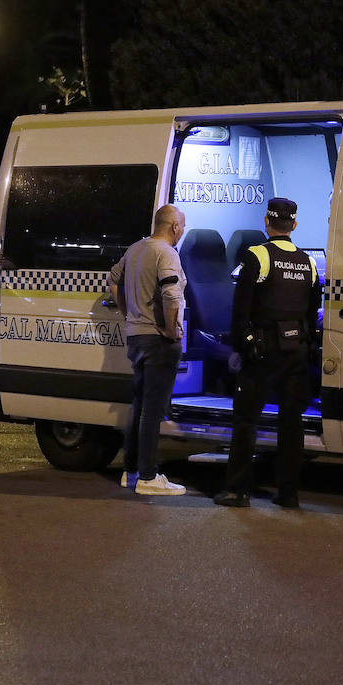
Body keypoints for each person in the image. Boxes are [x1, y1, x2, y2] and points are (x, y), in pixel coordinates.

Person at [214, 197, 321, 510]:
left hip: (262, 353)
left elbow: (240, 308)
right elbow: (312, 310)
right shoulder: (308, 262)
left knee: (246, 420)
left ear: (267, 222)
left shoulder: (257, 255)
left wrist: (241, 346)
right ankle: (289, 494)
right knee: (292, 423)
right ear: (294, 225)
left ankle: (237, 490)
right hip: (296, 352)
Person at [108, 204, 188, 496]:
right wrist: (169, 329)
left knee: (140, 406)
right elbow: (170, 292)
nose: (182, 232)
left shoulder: (136, 249)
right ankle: (149, 476)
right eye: (182, 226)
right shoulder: (166, 253)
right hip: (157, 340)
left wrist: (127, 312)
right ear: (174, 227)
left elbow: (112, 280)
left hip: (136, 337)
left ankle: (131, 471)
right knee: (152, 410)